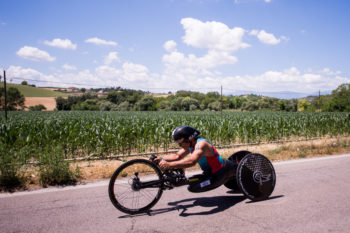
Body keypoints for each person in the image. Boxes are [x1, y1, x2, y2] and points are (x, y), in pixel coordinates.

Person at [158, 125, 237, 192]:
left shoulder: (201, 144)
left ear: (189, 138)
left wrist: (169, 165)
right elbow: (177, 156)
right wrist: (161, 159)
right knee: (190, 185)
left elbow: (192, 161)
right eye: (177, 142)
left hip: (221, 172)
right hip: (209, 173)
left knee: (193, 188)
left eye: (180, 141)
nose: (179, 145)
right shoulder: (190, 145)